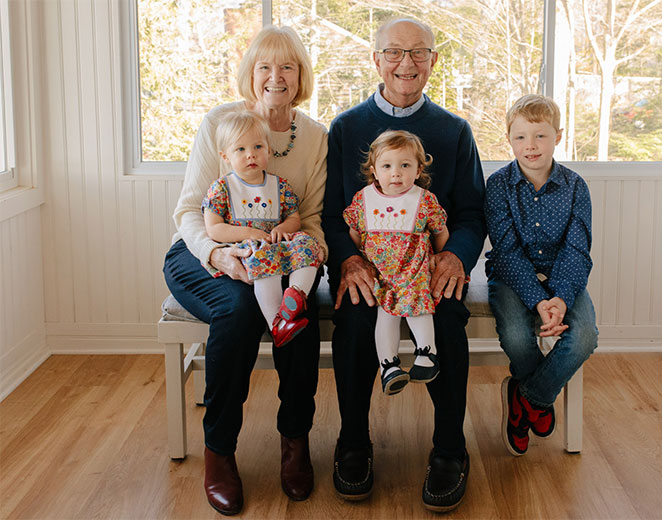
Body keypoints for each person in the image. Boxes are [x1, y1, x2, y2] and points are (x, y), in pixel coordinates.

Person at [162, 26, 327, 515]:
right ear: (249, 75)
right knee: (236, 312)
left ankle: (295, 444)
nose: (275, 77)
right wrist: (217, 254)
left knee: (299, 315)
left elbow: (312, 219)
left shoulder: (315, 136)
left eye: (287, 67)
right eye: (264, 67)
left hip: (277, 256)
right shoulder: (221, 122)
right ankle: (220, 452)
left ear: (301, 77)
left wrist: (304, 254)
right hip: (203, 253)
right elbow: (190, 211)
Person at [323, 17, 485, 512]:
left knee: (448, 317)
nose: (406, 63)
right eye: (394, 52)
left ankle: (450, 451)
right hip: (367, 269)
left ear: (434, 61)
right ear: (376, 60)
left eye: (418, 53)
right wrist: (349, 260)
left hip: (428, 266)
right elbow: (332, 212)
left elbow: (472, 211)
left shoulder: (454, 131)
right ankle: (353, 443)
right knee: (353, 317)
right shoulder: (347, 127)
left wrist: (454, 257)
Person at [484, 94, 598, 457]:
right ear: (509, 140)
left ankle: (528, 398)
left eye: (540, 136)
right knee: (517, 337)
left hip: (564, 278)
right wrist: (537, 299)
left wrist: (561, 298)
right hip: (511, 278)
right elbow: (505, 251)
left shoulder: (576, 187)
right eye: (520, 137)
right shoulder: (498, 186)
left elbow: (577, 249)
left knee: (583, 338)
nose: (530, 146)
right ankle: (541, 401)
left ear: (558, 136)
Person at [343, 130, 449, 396]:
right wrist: (357, 257)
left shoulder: (424, 200)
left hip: (413, 271)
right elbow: (354, 235)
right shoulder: (363, 199)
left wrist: (440, 255)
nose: (396, 173)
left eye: (405, 166)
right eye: (387, 166)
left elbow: (440, 231)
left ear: (418, 169)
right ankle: (388, 366)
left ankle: (427, 355)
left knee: (418, 307)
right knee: (386, 316)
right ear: (374, 170)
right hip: (379, 275)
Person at [203, 110, 321, 348]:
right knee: (264, 258)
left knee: (307, 242)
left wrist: (284, 228)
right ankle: (277, 324)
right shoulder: (223, 188)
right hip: (249, 250)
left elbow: (294, 217)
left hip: (276, 243)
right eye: (241, 150)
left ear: (268, 150)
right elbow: (214, 228)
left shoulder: (279, 185)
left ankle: (295, 296)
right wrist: (249, 234)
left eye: (258, 147)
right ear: (225, 156)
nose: (251, 155)